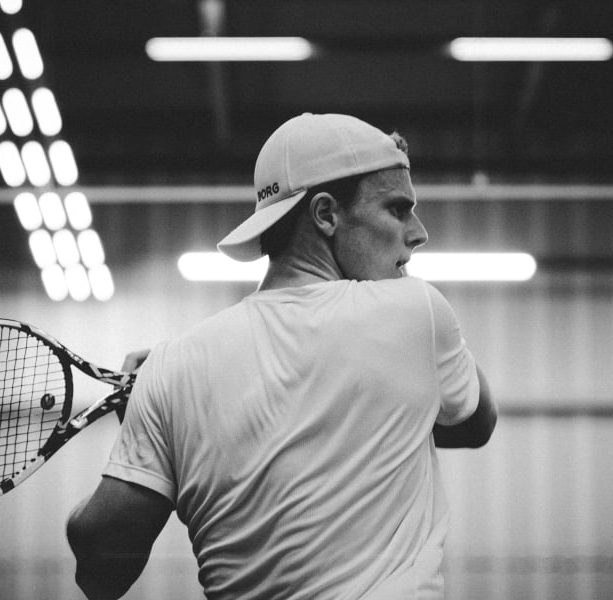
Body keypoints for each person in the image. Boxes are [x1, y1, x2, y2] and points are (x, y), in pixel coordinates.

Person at [66, 113, 497, 600]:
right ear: (325, 214)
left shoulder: (171, 368)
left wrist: (152, 424)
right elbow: (477, 422)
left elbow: (99, 573)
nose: (418, 233)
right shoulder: (415, 310)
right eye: (398, 209)